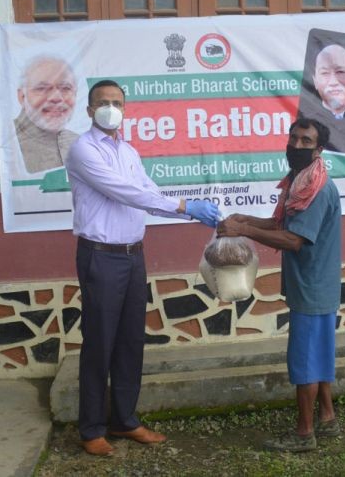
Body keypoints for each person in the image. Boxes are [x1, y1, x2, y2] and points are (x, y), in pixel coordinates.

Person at [65, 80, 220, 456]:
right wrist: (185, 206)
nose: (110, 108)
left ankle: (124, 420)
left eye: (117, 102)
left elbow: (148, 193)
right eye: (103, 102)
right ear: (89, 110)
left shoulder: (129, 151)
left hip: (134, 255)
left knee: (131, 341)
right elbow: (124, 191)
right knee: (99, 343)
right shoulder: (83, 150)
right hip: (101, 255)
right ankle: (91, 429)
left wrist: (188, 212)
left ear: (125, 108)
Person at [217, 118, 342, 452]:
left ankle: (304, 434)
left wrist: (242, 232)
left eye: (306, 141)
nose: (297, 145)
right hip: (316, 285)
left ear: (318, 150)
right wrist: (245, 220)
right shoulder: (301, 182)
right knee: (320, 355)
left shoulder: (316, 189)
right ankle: (327, 418)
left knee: (305, 362)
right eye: (293, 138)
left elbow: (294, 239)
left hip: (313, 288)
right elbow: (279, 222)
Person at [298, 43, 345, 156]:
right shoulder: (304, 123)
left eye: (341, 72)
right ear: (315, 81)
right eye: (324, 73)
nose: (333, 82)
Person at [14, 56, 80, 173]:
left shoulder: (79, 143)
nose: (56, 98)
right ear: (22, 97)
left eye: (65, 88)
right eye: (42, 88)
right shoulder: (6, 141)